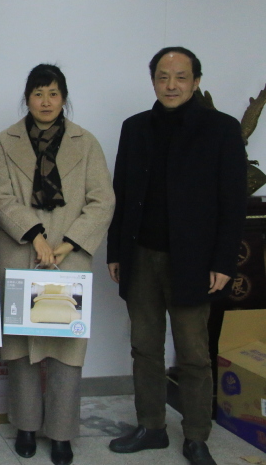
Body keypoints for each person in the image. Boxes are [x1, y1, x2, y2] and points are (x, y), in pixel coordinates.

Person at [106, 47, 247, 465]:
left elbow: (233, 202)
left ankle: (196, 436)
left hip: (194, 261)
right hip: (141, 256)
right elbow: (121, 194)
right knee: (144, 347)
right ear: (153, 80)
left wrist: (223, 261)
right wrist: (116, 252)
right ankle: (151, 426)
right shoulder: (135, 128)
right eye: (163, 77)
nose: (171, 85)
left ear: (196, 81)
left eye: (181, 77)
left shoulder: (222, 130)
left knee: (193, 354)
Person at [0, 64, 115, 465]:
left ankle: (61, 433)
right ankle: (26, 426)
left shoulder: (86, 142)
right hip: (22, 252)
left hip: (69, 257)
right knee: (21, 348)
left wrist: (69, 243)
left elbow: (102, 200)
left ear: (64, 98)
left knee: (66, 348)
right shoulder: (4, 141)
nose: (46, 101)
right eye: (38, 93)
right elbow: (0, 197)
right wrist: (37, 236)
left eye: (53, 93)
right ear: (27, 98)